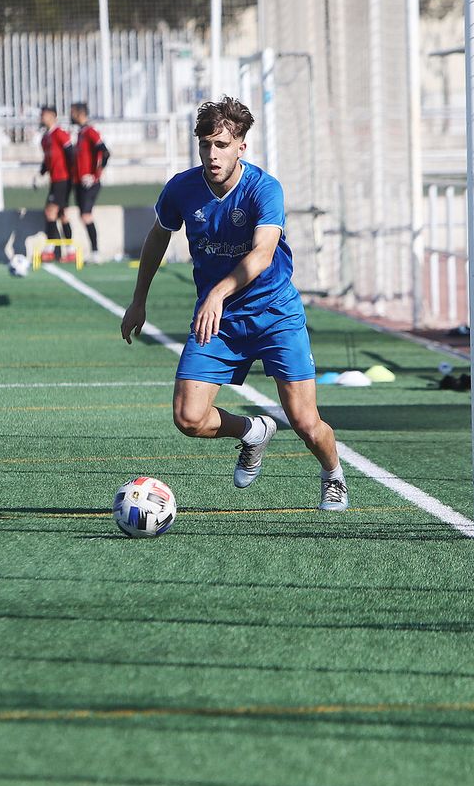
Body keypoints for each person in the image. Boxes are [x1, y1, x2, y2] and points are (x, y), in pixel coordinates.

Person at [121, 96, 348, 511]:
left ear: (241, 146)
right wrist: (139, 300)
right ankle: (252, 430)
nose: (212, 154)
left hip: (274, 315)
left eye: (221, 145)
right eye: (206, 144)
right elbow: (158, 236)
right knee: (188, 418)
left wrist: (217, 293)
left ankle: (332, 473)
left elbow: (262, 254)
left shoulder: (264, 189)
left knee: (305, 423)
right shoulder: (181, 188)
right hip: (220, 322)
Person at [67, 101, 109, 257]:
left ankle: (96, 252)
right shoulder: (80, 132)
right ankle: (94, 251)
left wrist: (95, 176)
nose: (70, 116)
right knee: (83, 216)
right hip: (79, 182)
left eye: (73, 112)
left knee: (86, 215)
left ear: (80, 113)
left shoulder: (91, 131)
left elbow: (105, 153)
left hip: (89, 183)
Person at [38, 105, 75, 260]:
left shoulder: (60, 133)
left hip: (63, 179)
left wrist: (72, 176)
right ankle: (71, 251)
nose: (42, 118)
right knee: (62, 214)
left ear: (53, 116)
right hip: (55, 180)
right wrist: (39, 174)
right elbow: (47, 161)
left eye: (45, 115)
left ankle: (49, 248)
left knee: (50, 211)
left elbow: (70, 153)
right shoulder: (45, 138)